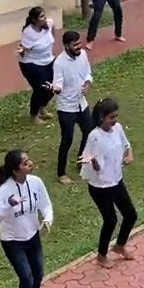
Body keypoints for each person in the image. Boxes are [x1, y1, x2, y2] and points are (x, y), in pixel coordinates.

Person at [0, 150, 54, 288]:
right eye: (25, 163)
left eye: (28, 160)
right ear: (16, 170)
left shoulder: (35, 183)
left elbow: (46, 205)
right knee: (26, 277)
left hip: (32, 236)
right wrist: (8, 204)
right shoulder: (4, 191)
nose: (30, 164)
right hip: (12, 241)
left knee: (38, 274)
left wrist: (47, 219)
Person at [81, 97, 137, 268]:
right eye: (111, 117)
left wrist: (129, 155)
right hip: (100, 186)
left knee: (130, 214)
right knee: (110, 220)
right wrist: (94, 162)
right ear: (101, 118)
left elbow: (127, 145)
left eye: (115, 116)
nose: (115, 120)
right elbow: (97, 168)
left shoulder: (118, 129)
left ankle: (119, 246)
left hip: (116, 181)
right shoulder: (95, 137)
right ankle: (102, 255)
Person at [49, 30, 94, 183]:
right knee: (67, 139)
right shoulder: (59, 63)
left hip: (81, 103)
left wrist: (88, 83)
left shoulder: (83, 55)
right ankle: (61, 173)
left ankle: (81, 160)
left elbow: (88, 72)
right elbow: (58, 84)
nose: (78, 47)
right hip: (66, 107)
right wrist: (56, 89)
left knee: (89, 131)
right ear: (66, 46)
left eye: (79, 43)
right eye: (75, 45)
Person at [18, 7, 57, 123]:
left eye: (44, 15)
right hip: (31, 63)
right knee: (40, 88)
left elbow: (52, 31)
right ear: (34, 20)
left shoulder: (48, 24)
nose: (44, 18)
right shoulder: (28, 32)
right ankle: (34, 115)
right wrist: (21, 50)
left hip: (48, 60)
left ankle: (42, 109)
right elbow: (23, 49)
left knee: (53, 86)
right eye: (41, 17)